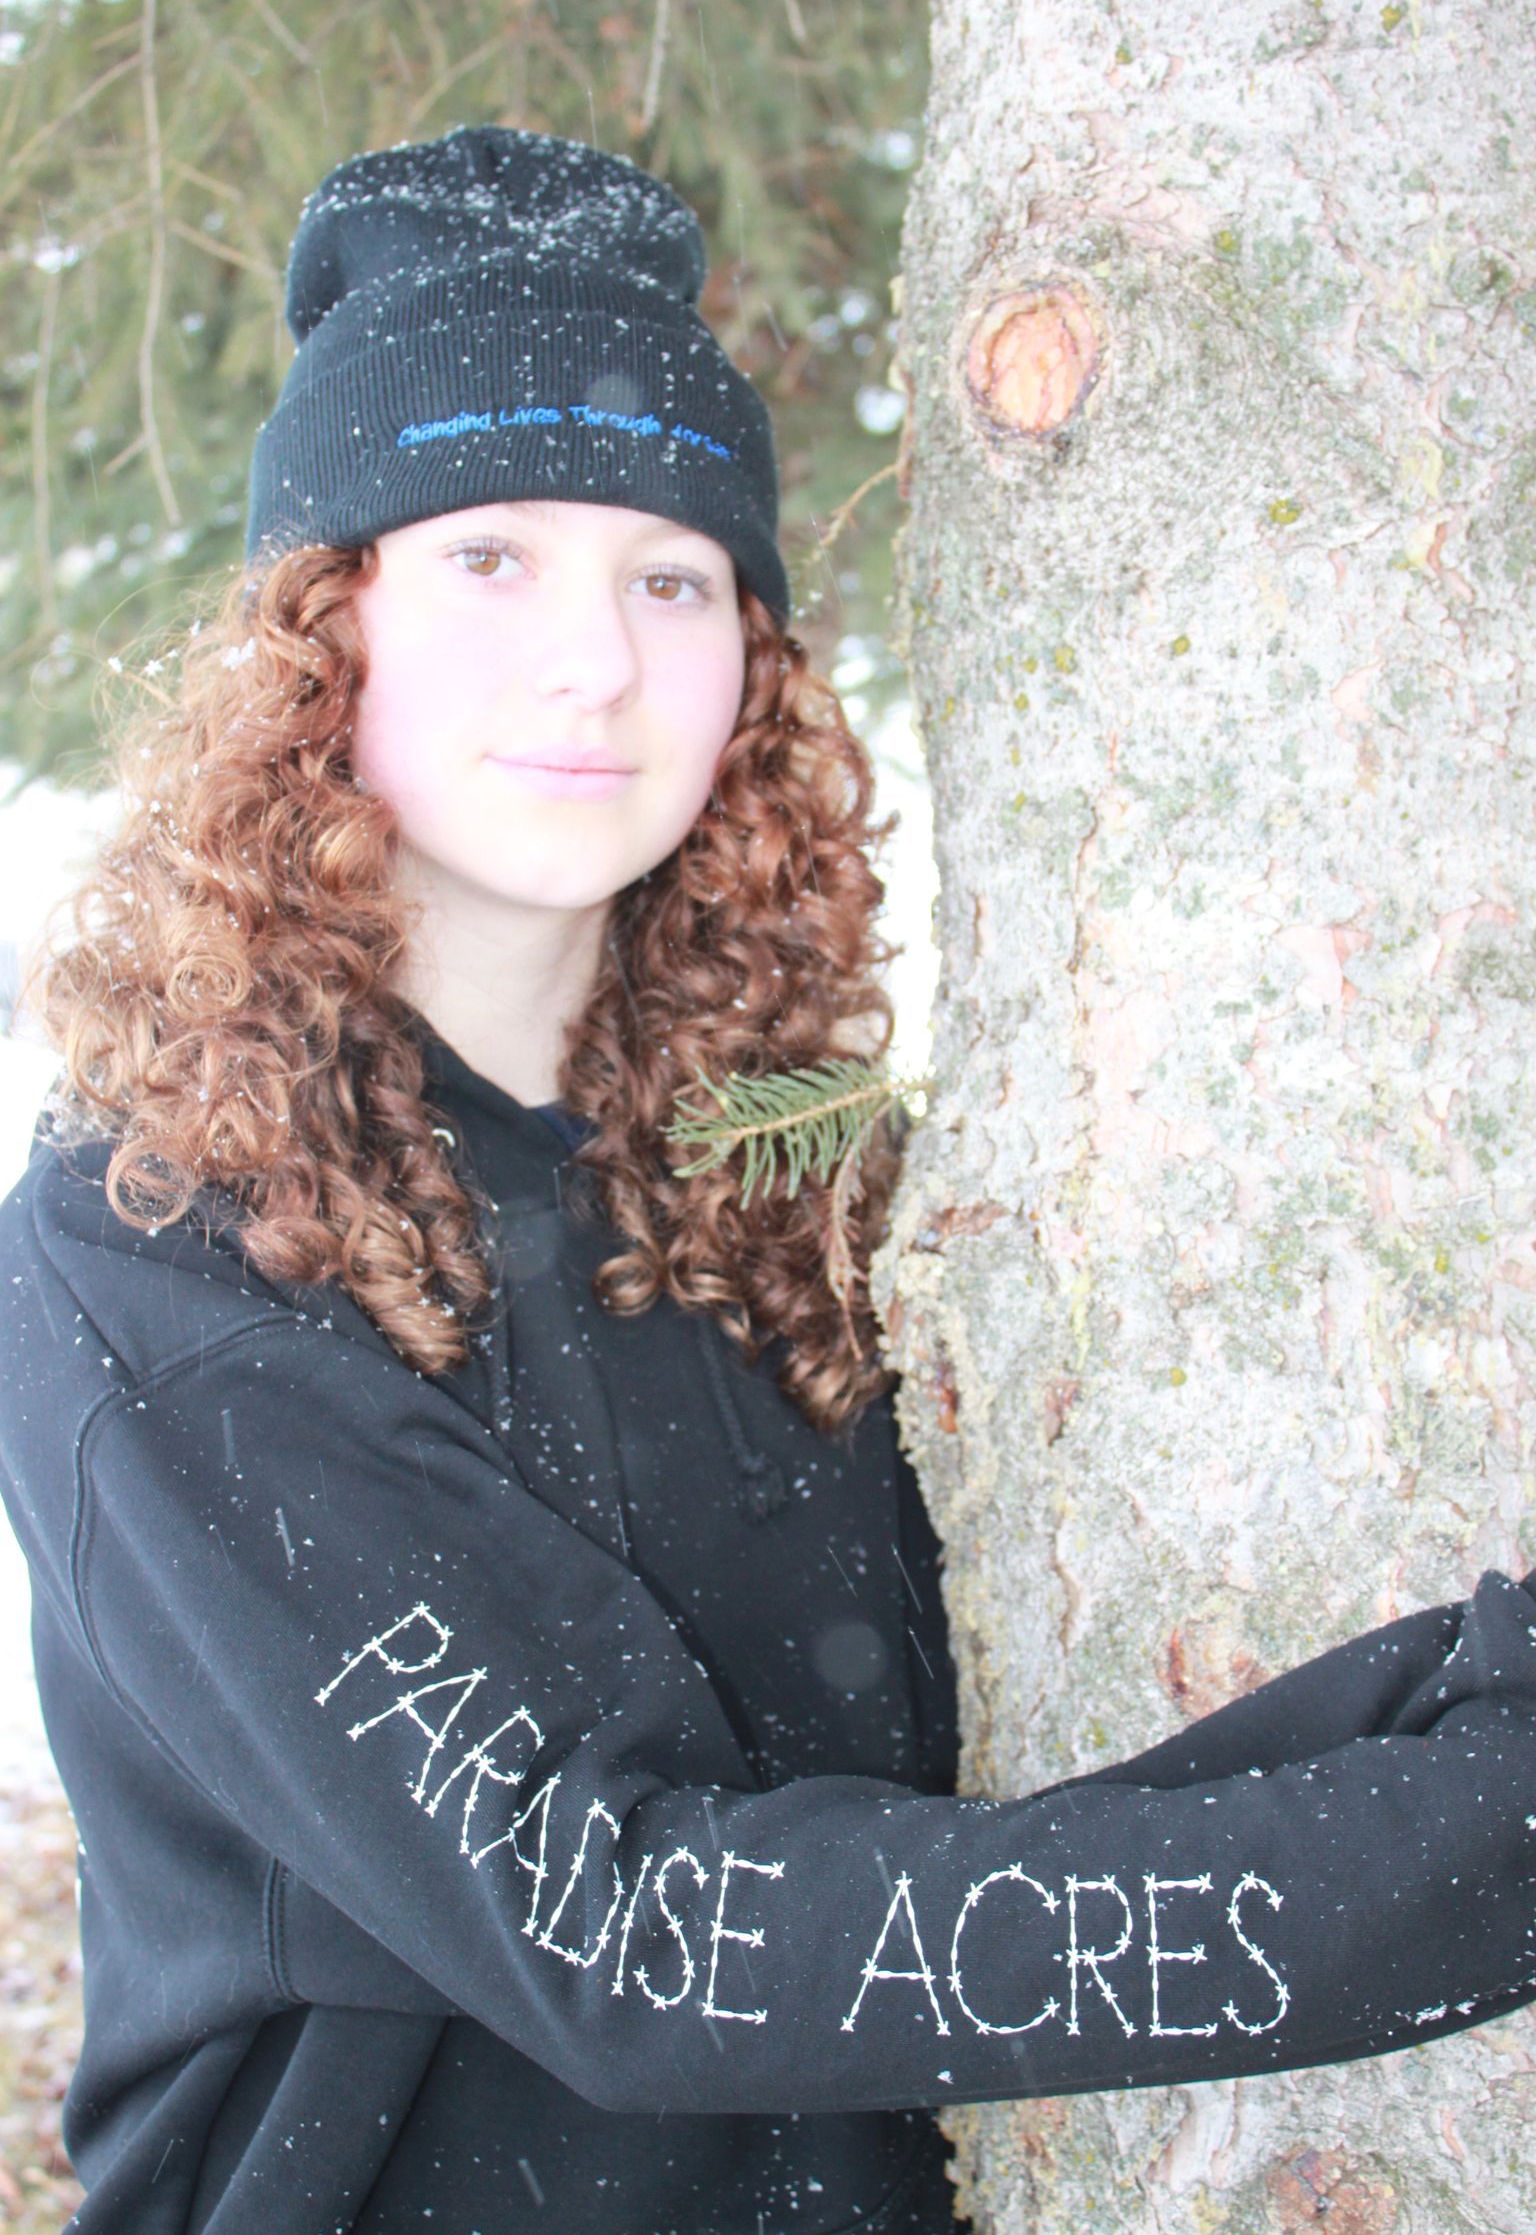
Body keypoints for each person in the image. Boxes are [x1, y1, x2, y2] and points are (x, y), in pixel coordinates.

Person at [1, 125, 1533, 2235]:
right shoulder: (156, 1242)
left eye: (670, 575)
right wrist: (1475, 1838)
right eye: (488, 557)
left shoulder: (806, 1185)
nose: (594, 660)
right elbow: (630, 1931)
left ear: (755, 662)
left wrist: (1446, 1710)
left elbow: (951, 1845)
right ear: (320, 630)